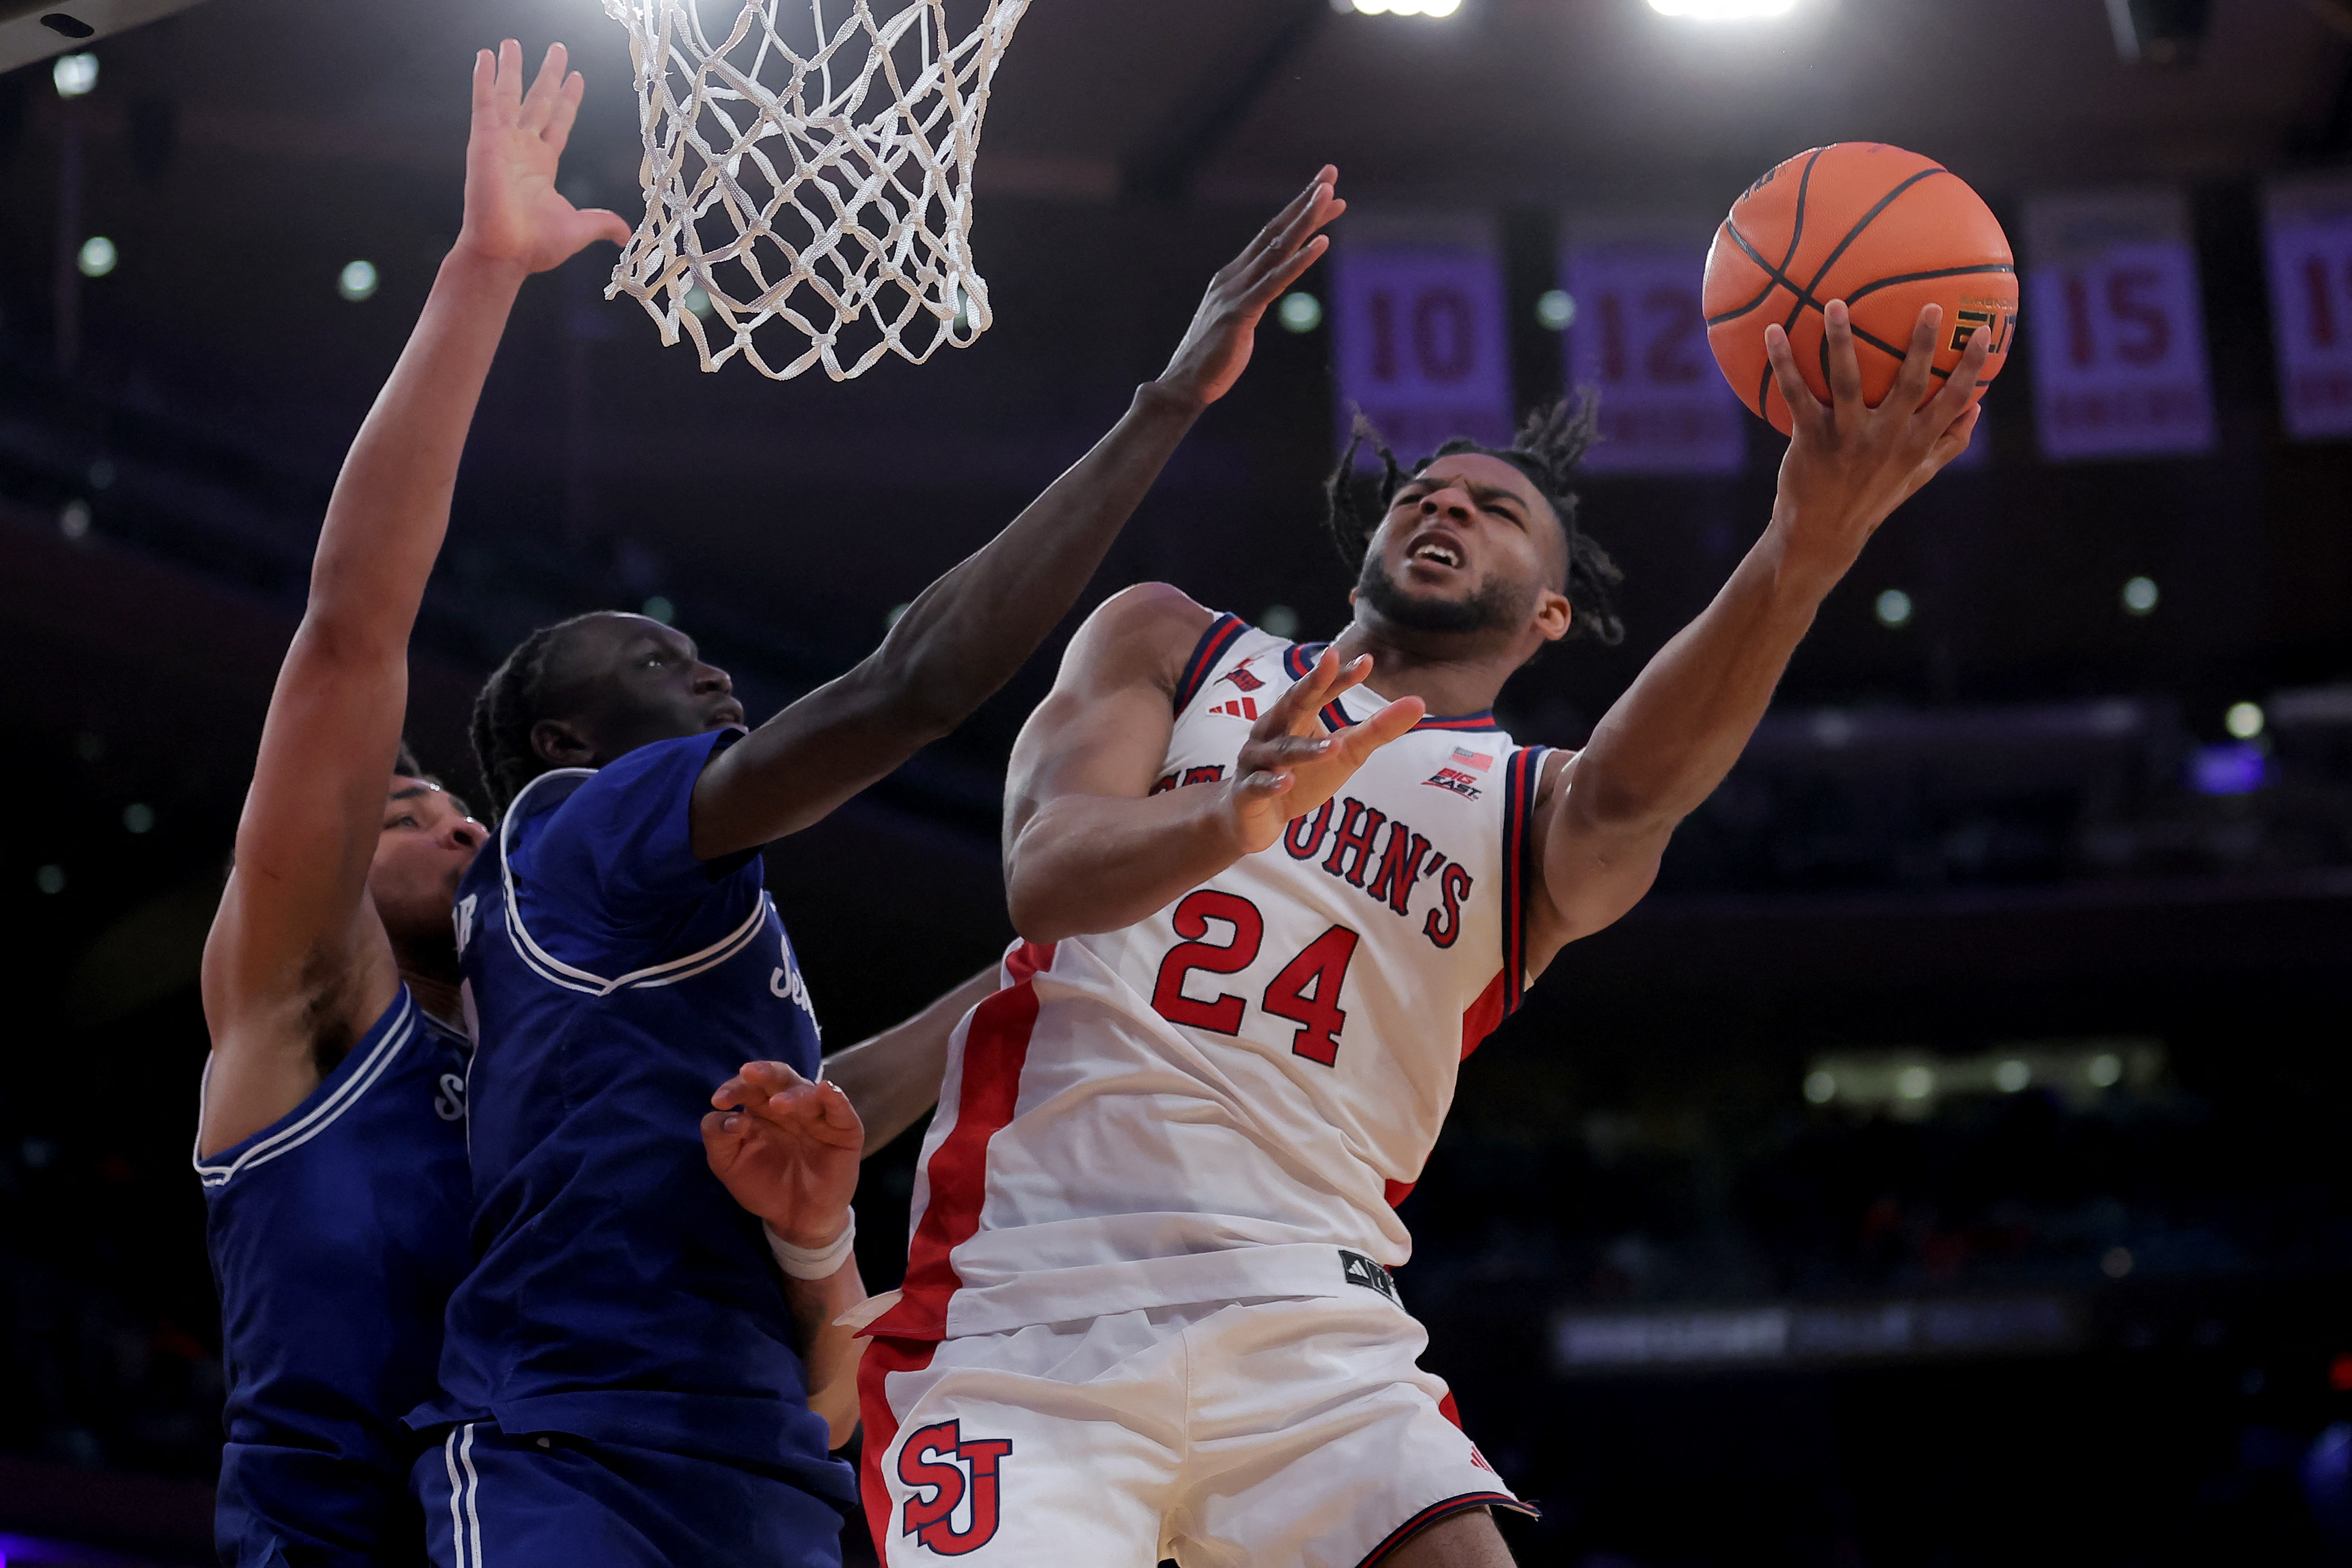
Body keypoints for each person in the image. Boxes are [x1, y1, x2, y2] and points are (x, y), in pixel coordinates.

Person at [847, 302, 1996, 1566]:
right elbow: (1046, 879)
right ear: (1363, 563)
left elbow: (1642, 787)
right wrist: (1233, 815)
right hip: (1036, 1293)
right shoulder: (1178, 644)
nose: (1445, 509)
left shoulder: (1534, 812)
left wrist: (1806, 548)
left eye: (1495, 512)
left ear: (1549, 613)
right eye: (1426, 496)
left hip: (1309, 1315)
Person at [405, 166, 1352, 1568]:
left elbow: (810, 1111)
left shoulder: (673, 921)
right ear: (562, 737)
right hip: (574, 1440)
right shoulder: (574, 821)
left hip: (758, 1450)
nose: (705, 664)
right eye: (653, 659)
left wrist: (1084, 943)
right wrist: (1162, 406)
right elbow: (909, 686)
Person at [189, 38, 626, 1567]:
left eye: (460, 809)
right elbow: (352, 632)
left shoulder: (548, 1062)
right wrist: (484, 279)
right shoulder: (303, 1000)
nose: (457, 823)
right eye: (401, 810)